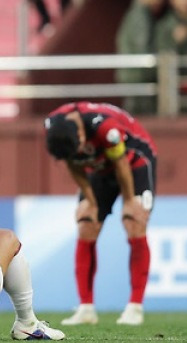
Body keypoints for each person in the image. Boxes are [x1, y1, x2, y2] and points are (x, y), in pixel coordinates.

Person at [44, 101, 157, 327]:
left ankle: (135, 307)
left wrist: (129, 201)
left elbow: (121, 163)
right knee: (86, 222)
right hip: (98, 169)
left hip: (133, 162)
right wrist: (91, 201)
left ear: (81, 134)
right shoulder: (55, 129)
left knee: (133, 221)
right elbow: (72, 164)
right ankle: (86, 308)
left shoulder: (107, 130)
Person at [115, 0, 164, 115]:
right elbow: (143, 48)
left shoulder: (140, 13)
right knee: (140, 120)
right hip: (138, 77)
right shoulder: (140, 15)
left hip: (135, 76)